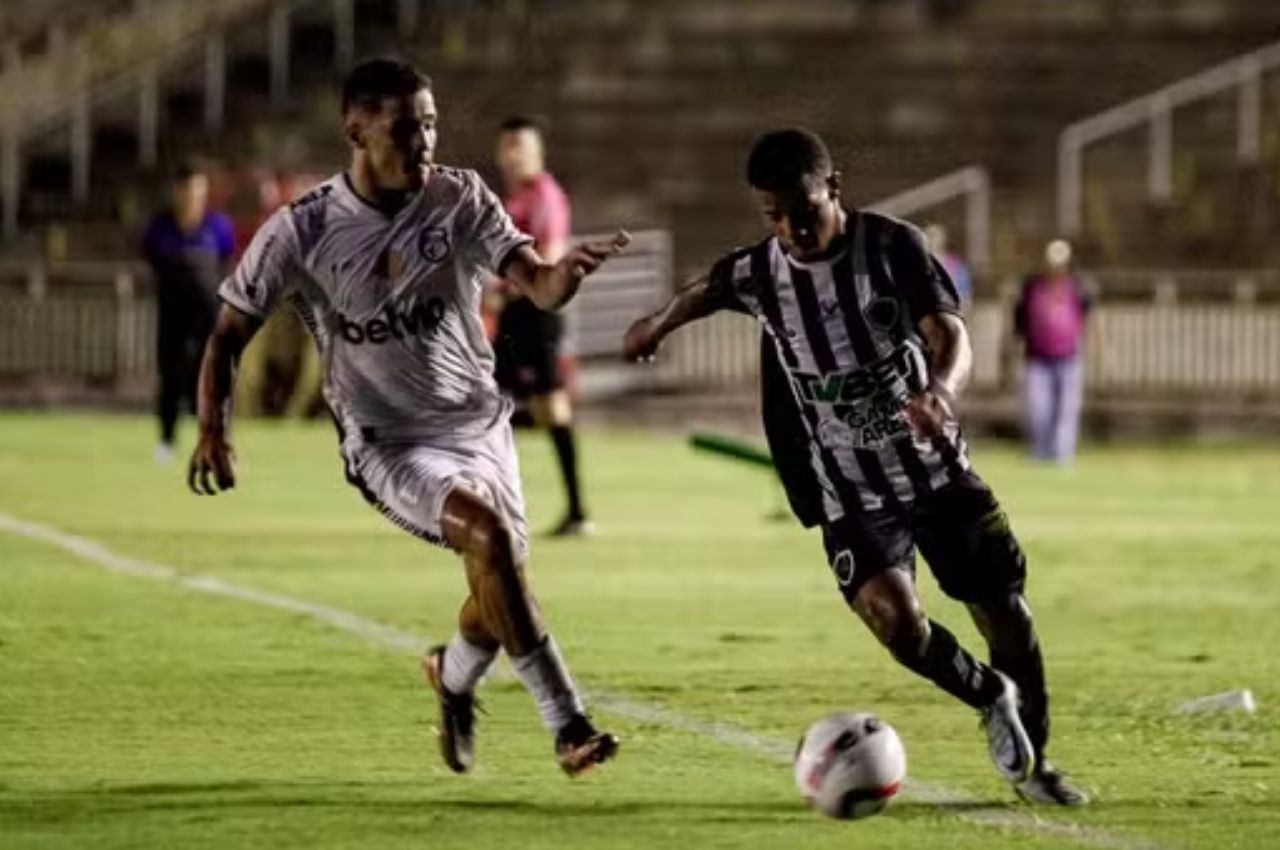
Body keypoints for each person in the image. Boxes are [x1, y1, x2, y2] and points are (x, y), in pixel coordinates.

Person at [187, 59, 629, 776]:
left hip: (479, 425)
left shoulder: (460, 197)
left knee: (498, 577)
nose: (423, 140)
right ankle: (567, 722)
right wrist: (214, 429)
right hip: (389, 441)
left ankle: (452, 678)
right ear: (355, 129)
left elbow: (535, 283)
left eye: (429, 123)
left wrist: (561, 277)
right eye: (404, 126)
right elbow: (227, 335)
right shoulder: (304, 228)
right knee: (488, 541)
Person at [623, 128, 1086, 805]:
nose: (790, 229)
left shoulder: (892, 246)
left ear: (833, 187)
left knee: (1004, 614)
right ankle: (990, 696)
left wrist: (941, 392)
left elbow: (948, 333)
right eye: (773, 216)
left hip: (936, 473)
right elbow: (708, 287)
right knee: (897, 624)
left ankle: (1036, 766)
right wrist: (657, 325)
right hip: (851, 491)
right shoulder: (762, 271)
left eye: (802, 210)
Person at [492, 115, 591, 536]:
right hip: (515, 313)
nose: (515, 154)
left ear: (538, 152)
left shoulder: (544, 196)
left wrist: (500, 290)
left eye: (523, 145)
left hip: (538, 311)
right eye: (509, 145)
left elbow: (548, 258)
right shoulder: (509, 199)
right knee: (488, 402)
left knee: (550, 406)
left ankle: (577, 511)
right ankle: (493, 502)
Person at [142, 162, 235, 462]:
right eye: (187, 190)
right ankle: (166, 441)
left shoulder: (218, 227)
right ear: (177, 191)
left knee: (208, 378)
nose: (192, 197)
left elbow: (226, 263)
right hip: (171, 314)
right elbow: (151, 262)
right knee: (170, 376)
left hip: (208, 315)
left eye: (198, 191)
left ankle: (212, 441)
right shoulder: (159, 228)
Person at [1014, 239, 1091, 464]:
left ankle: (1061, 456)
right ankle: (1040, 452)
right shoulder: (1031, 287)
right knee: (1039, 409)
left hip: (1068, 357)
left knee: (1066, 410)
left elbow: (1088, 319)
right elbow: (1019, 322)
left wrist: (1100, 350)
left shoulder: (1077, 287)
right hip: (1037, 357)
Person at [924, 223, 973, 308]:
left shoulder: (956, 266)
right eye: (930, 236)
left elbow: (965, 298)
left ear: (944, 239)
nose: (933, 240)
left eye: (936, 236)